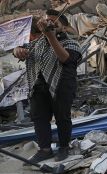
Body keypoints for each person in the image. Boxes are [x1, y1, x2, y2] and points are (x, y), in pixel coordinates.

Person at [13, 9, 82, 162]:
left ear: (64, 28)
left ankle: (64, 147)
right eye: (47, 21)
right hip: (38, 87)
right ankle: (45, 149)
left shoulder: (72, 43)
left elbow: (64, 57)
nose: (49, 24)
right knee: (39, 118)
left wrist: (50, 36)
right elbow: (19, 50)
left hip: (62, 86)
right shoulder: (36, 43)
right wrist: (17, 50)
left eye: (54, 22)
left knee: (62, 118)